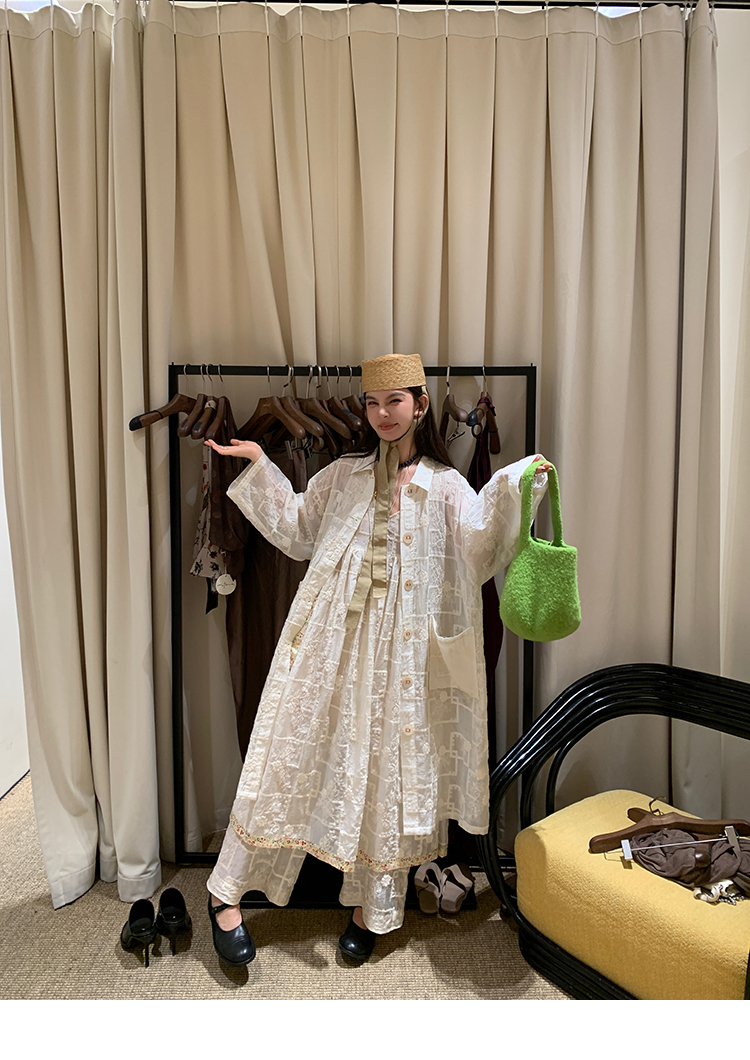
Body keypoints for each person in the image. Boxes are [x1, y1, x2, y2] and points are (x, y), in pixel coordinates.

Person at [203, 353, 550, 965]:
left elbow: (478, 550)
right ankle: (224, 892)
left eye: (395, 401)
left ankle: (371, 905)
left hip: (405, 658)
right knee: (287, 752)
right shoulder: (344, 474)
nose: (382, 413)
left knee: (384, 771)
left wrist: (517, 482)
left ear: (420, 404)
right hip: (331, 640)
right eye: (372, 402)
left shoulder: (446, 486)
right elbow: (298, 530)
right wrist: (260, 465)